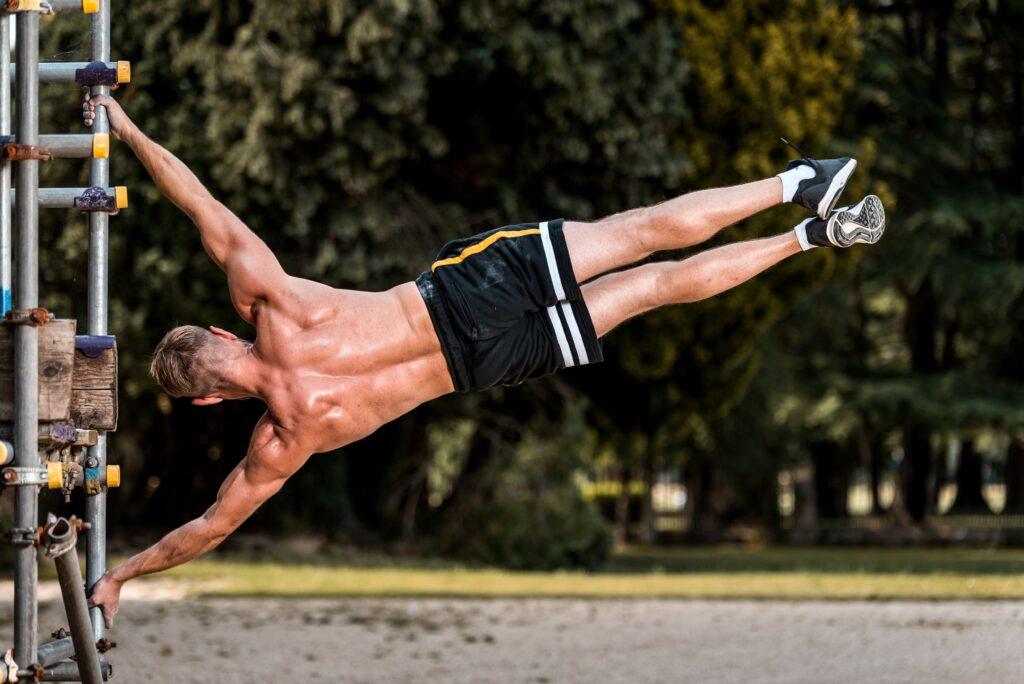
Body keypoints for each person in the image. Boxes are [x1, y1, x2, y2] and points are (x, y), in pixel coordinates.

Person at [82, 92, 884, 626]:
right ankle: (799, 184)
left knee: (653, 291)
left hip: (482, 365)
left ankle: (812, 238)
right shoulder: (274, 305)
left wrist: (123, 575)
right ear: (224, 338)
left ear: (207, 404)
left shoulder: (282, 442)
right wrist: (126, 128)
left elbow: (211, 528)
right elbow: (202, 206)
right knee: (638, 233)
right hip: (462, 297)